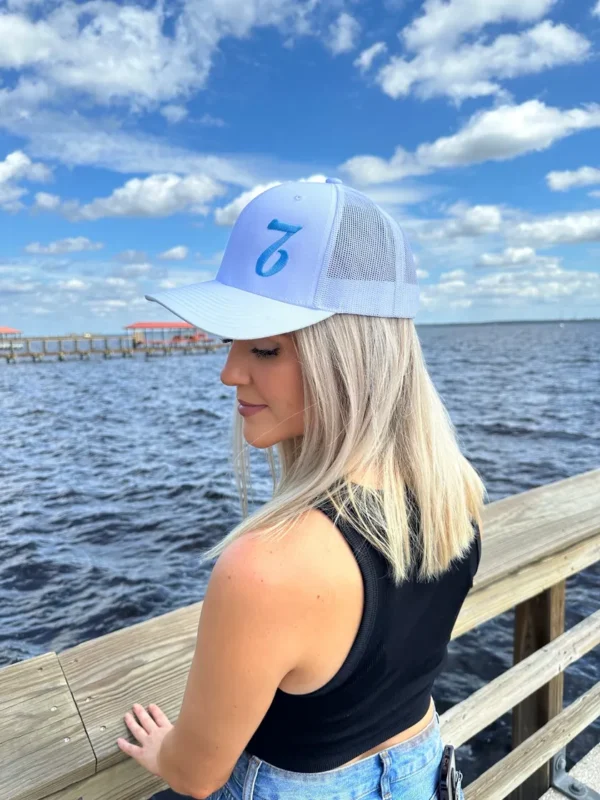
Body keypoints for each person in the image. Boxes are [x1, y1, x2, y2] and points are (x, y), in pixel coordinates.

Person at [142, 178, 485, 800]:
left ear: (350, 359)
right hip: (420, 771)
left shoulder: (266, 567)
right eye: (233, 343)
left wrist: (164, 745)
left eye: (266, 348)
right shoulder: (451, 494)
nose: (229, 373)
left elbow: (196, 773)